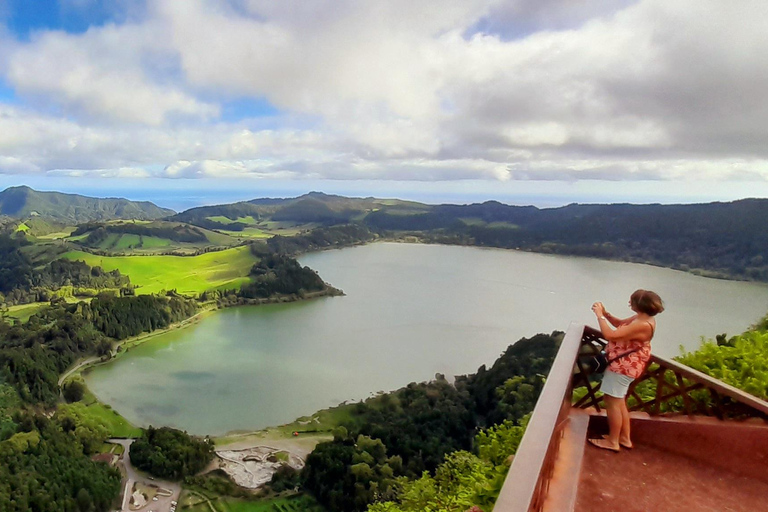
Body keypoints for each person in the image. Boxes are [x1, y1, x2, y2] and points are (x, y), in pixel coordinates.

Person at [588, 289, 664, 452]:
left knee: (612, 403)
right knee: (619, 401)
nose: (629, 303)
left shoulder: (642, 324)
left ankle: (613, 441)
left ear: (639, 305)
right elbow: (620, 324)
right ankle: (624, 438)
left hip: (622, 367)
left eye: (632, 301)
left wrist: (599, 316)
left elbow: (610, 335)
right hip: (627, 366)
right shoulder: (644, 319)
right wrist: (607, 314)